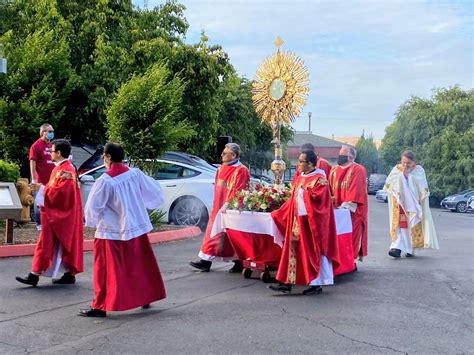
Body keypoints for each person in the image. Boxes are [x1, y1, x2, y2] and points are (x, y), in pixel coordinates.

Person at [79, 143, 166, 317]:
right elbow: (154, 192)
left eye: (104, 157)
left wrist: (91, 221)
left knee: (105, 270)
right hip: (136, 227)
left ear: (108, 157)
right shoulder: (135, 174)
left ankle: (100, 305)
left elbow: (93, 208)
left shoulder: (105, 181)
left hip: (112, 231)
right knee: (139, 264)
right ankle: (145, 295)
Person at [270, 150, 339, 295]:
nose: (298, 164)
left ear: (311, 164)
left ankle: (317, 284)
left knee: (312, 252)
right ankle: (286, 283)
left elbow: (320, 203)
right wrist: (279, 213)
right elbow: (294, 200)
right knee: (292, 252)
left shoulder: (320, 180)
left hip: (312, 224)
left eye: (301, 161)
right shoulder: (301, 178)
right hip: (297, 222)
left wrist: (303, 193)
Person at [16, 139, 84, 286]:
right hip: (58, 213)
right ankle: (67, 274)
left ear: (58, 153)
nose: (50, 154)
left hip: (60, 214)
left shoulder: (67, 170)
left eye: (52, 151)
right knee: (58, 245)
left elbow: (61, 193)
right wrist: (43, 189)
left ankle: (35, 275)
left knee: (47, 244)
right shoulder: (61, 168)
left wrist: (41, 189)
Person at [190, 143, 250, 272]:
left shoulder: (241, 170)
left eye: (225, 153)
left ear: (233, 155)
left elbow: (240, 190)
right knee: (213, 233)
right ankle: (205, 261)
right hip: (218, 206)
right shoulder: (221, 168)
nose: (221, 155)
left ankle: (238, 262)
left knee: (232, 236)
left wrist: (228, 205)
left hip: (231, 208)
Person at [384, 150, 439, 258]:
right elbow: (390, 184)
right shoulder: (396, 169)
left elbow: (421, 186)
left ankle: (411, 249)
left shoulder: (419, 170)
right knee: (400, 225)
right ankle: (397, 248)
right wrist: (402, 175)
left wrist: (407, 176)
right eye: (403, 162)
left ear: (414, 162)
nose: (405, 165)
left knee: (411, 226)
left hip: (414, 205)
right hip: (400, 204)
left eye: (408, 163)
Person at [329, 145, 368, 262]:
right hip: (336, 211)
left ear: (350, 157)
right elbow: (329, 189)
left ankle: (350, 262)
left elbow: (356, 192)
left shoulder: (358, 170)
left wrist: (343, 210)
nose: (339, 157)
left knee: (351, 237)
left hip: (352, 212)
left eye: (342, 155)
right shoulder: (334, 170)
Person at [29, 123, 55, 230]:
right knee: (39, 201)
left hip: (52, 180)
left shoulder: (51, 145)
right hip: (40, 179)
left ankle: (49, 221)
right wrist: (34, 178)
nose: (52, 133)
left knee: (51, 200)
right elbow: (32, 162)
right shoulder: (36, 146)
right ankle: (39, 223)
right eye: (50, 131)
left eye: (52, 131)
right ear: (43, 132)